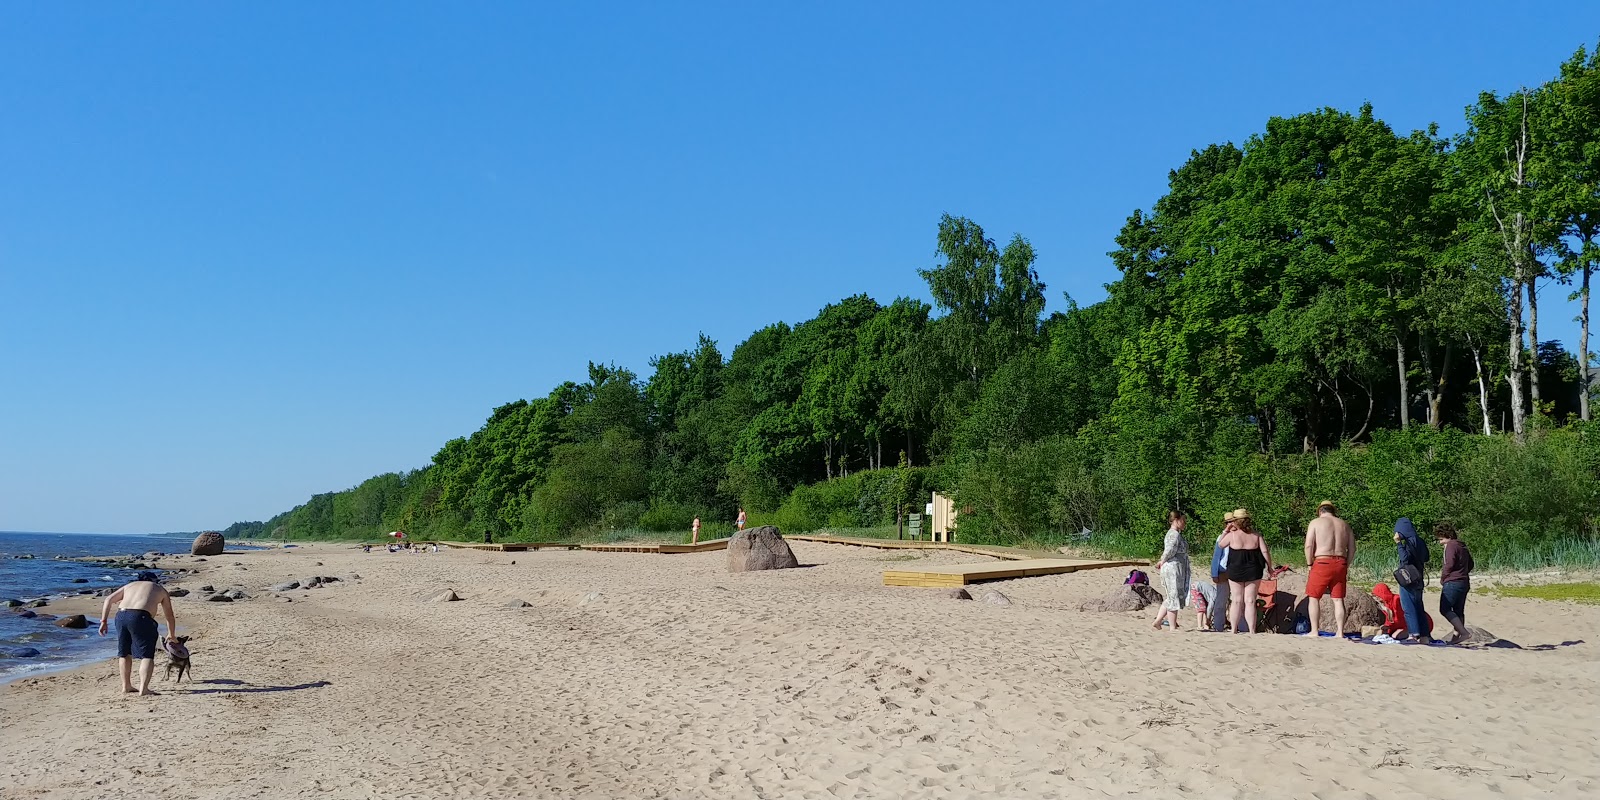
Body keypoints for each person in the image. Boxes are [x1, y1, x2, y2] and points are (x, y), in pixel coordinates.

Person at [97, 571, 176, 696]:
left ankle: (126, 686)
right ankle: (144, 688)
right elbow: (169, 615)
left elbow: (108, 599)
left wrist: (103, 621)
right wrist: (171, 634)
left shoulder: (130, 585)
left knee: (124, 652)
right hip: (141, 617)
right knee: (147, 654)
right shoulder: (160, 589)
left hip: (121, 616)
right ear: (153, 580)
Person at [1302, 500, 1355, 639]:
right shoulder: (1344, 525)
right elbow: (1352, 548)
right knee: (1338, 599)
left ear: (1320, 511)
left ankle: (1314, 631)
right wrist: (1346, 564)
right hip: (1340, 561)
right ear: (1333, 511)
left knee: (1314, 597)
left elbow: (1308, 545)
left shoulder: (1315, 522)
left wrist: (1309, 564)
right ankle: (1340, 632)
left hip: (1322, 561)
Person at [1219, 508, 1270, 634]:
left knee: (1236, 600)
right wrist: (1270, 566)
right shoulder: (1256, 535)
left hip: (1235, 568)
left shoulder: (1232, 535)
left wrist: (1226, 531)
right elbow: (1264, 551)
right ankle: (1252, 630)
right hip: (1253, 569)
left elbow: (1220, 545)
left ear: (1236, 521)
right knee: (1250, 600)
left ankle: (1234, 629)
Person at [1150, 512, 1191, 632]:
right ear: (1176, 520)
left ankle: (1158, 621)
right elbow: (1170, 550)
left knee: (1171, 596)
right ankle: (1172, 627)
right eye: (1183, 520)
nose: (1185, 523)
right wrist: (1162, 561)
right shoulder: (1174, 534)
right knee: (1173, 596)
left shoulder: (1175, 534)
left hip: (1175, 567)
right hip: (1173, 568)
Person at [1393, 518, 1432, 642]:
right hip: (1419, 577)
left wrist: (1399, 543)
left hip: (1408, 578)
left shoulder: (1408, 543)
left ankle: (1414, 634)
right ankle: (1425, 636)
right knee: (1419, 607)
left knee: (1408, 607)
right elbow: (1426, 557)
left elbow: (1404, 559)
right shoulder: (1420, 541)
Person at [1436, 522, 1474, 644]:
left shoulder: (1451, 546)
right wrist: (1463, 572)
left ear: (1446, 536)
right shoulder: (1462, 546)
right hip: (1464, 581)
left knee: (1445, 608)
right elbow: (1471, 564)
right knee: (1458, 610)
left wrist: (1443, 578)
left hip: (1452, 582)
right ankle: (1456, 638)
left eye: (1441, 539)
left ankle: (1463, 633)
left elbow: (1449, 564)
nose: (1440, 542)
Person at [1208, 511, 1236, 633]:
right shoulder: (1222, 537)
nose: (1231, 524)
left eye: (1233, 521)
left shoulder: (1240, 535)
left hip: (1235, 571)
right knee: (1221, 600)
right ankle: (1218, 626)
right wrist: (1214, 573)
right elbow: (1216, 556)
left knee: (1237, 600)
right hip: (1223, 571)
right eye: (1228, 522)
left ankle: (1238, 625)